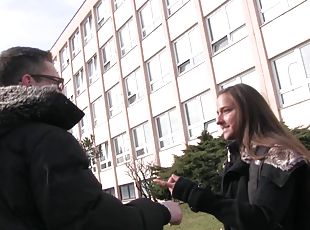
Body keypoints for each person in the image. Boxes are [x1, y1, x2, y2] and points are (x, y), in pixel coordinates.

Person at [0, 46, 182, 229]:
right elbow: (91, 221)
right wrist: (162, 211)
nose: (62, 90)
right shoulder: (45, 140)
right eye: (56, 81)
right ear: (28, 82)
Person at [154, 83, 310, 230]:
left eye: (226, 110)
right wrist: (187, 189)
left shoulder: (280, 155)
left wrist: (193, 193)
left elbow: (261, 219)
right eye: (217, 113)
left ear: (248, 111)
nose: (218, 120)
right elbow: (237, 211)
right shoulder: (242, 159)